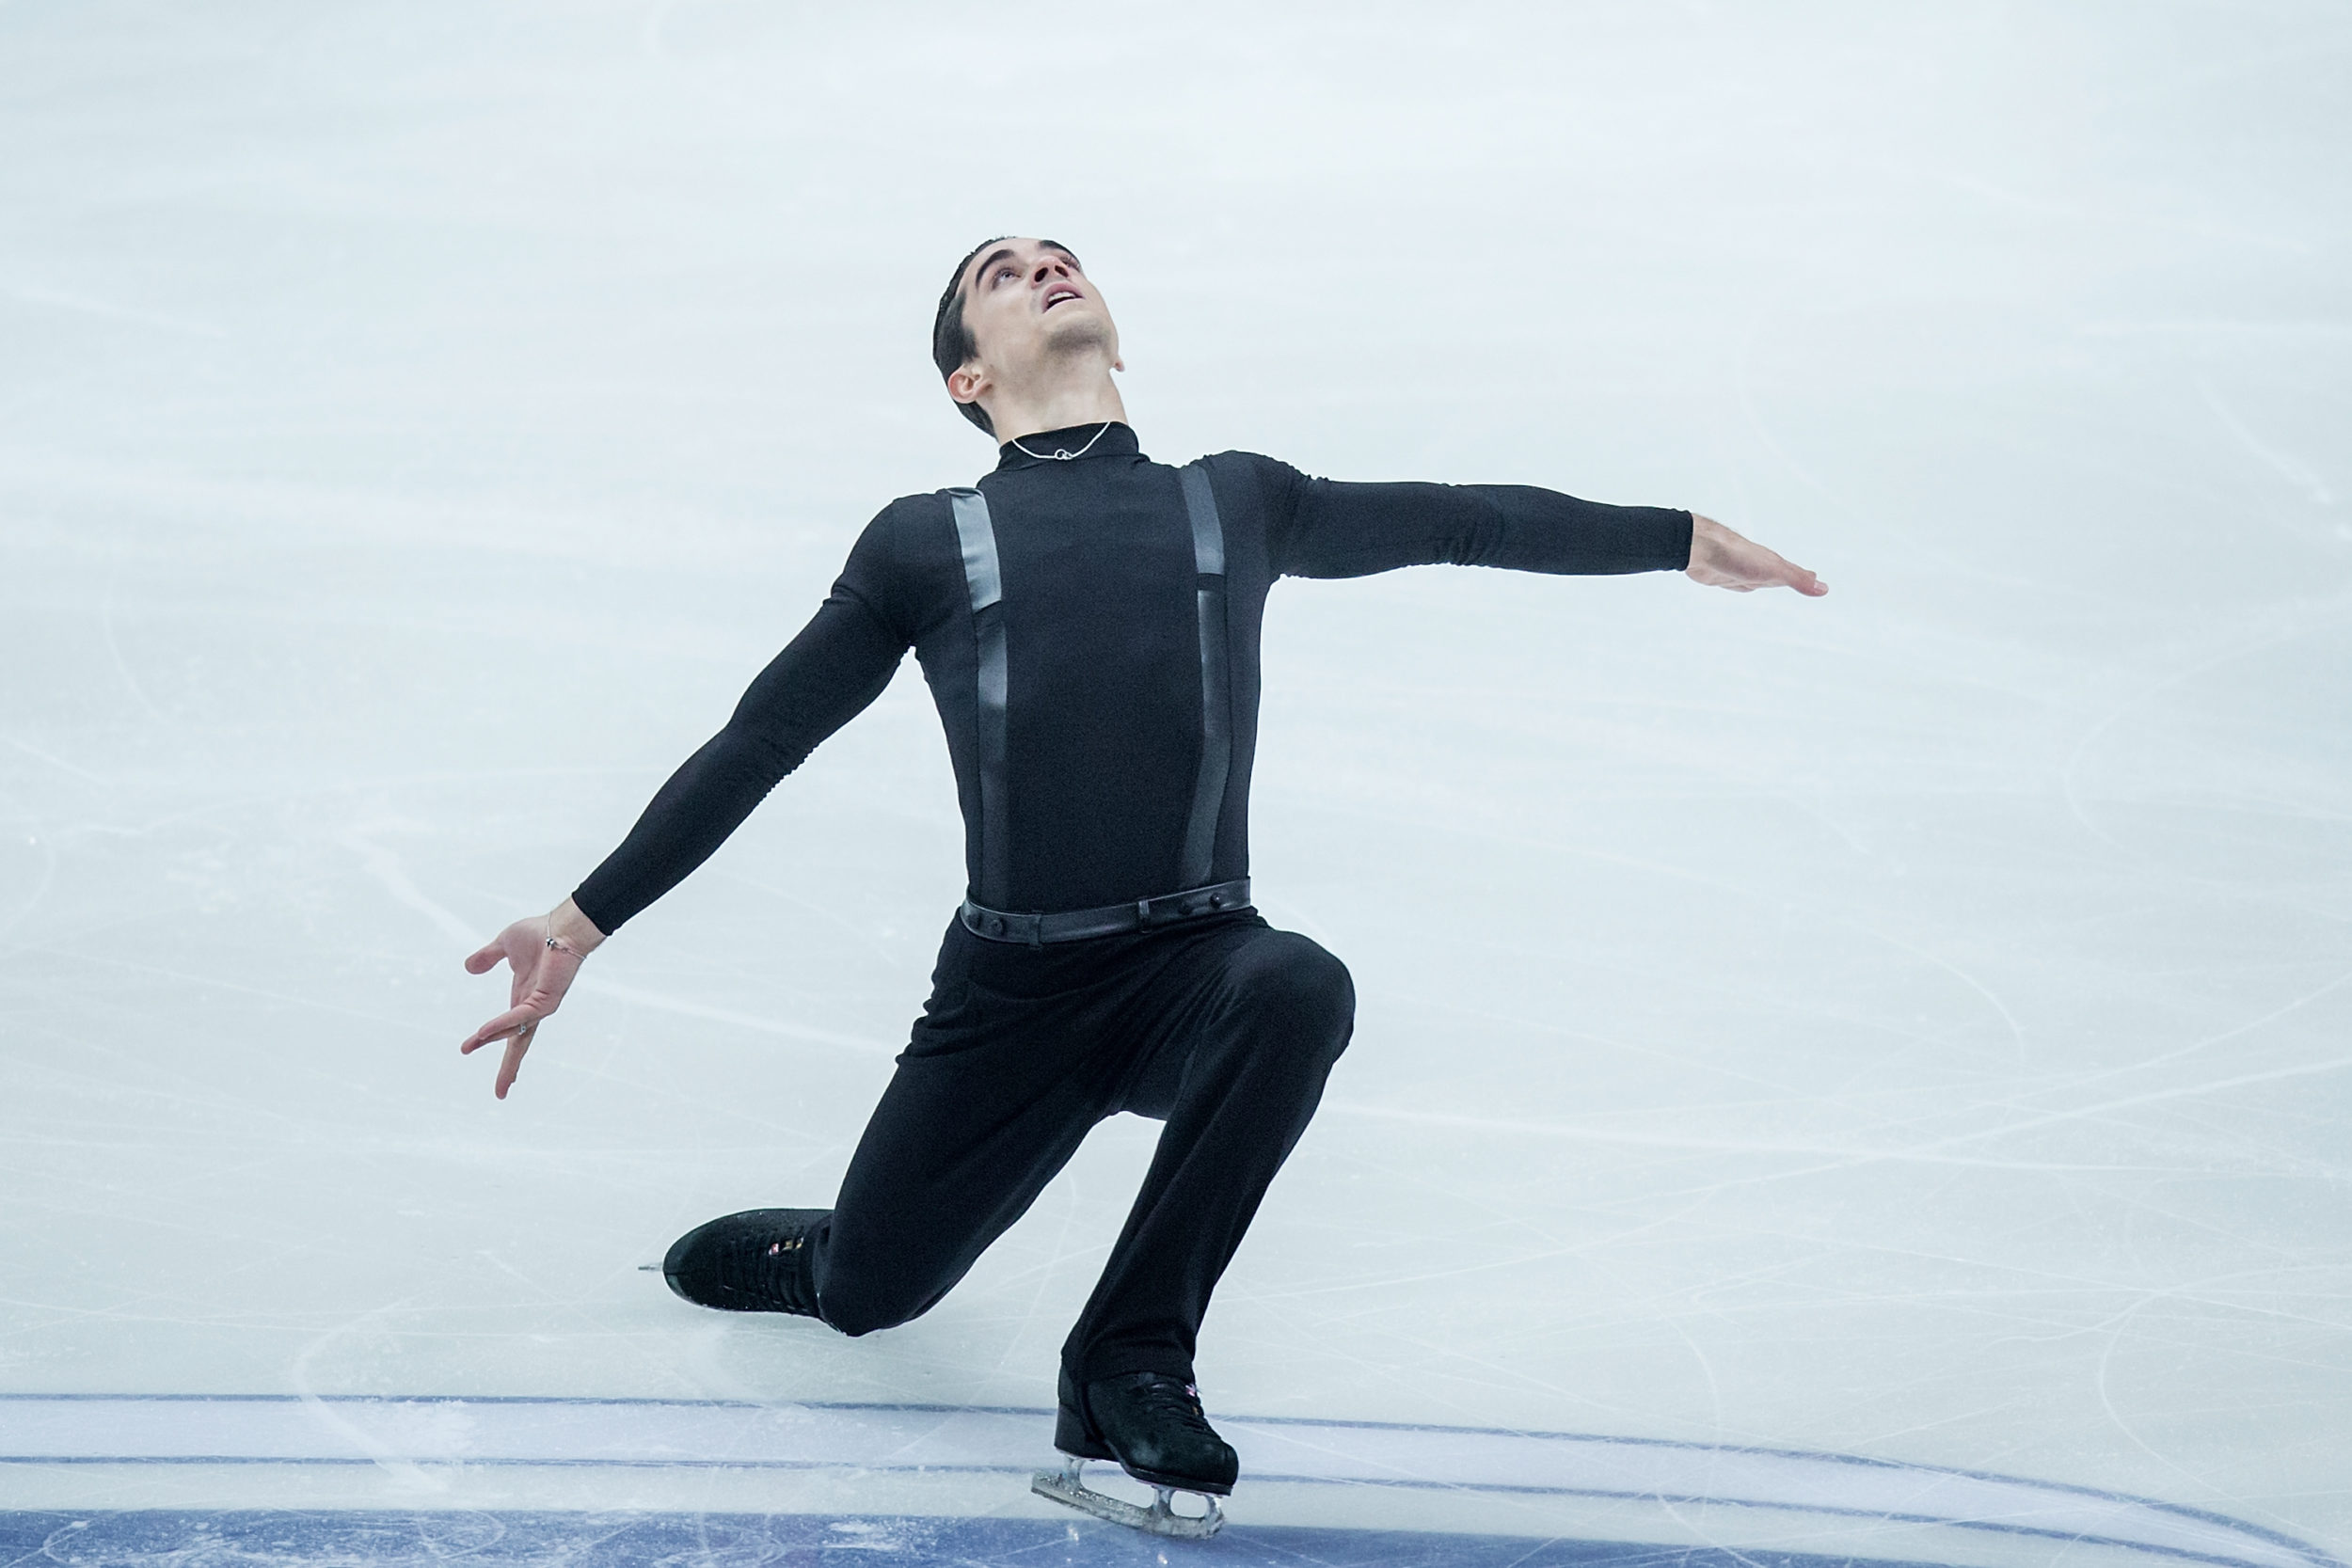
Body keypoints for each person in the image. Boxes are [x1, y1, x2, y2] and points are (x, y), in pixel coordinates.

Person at [460, 235, 1825, 1526]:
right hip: (1011, 994)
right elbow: (766, 735)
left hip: (1195, 967)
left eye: (1060, 255)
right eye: (1001, 274)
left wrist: (1675, 532)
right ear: (968, 380)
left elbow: (1461, 519)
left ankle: (1130, 1361)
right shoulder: (922, 542)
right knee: (875, 1291)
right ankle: (819, 1260)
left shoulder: (1230, 498)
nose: (1044, 267)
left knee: (1299, 985)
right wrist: (585, 919)